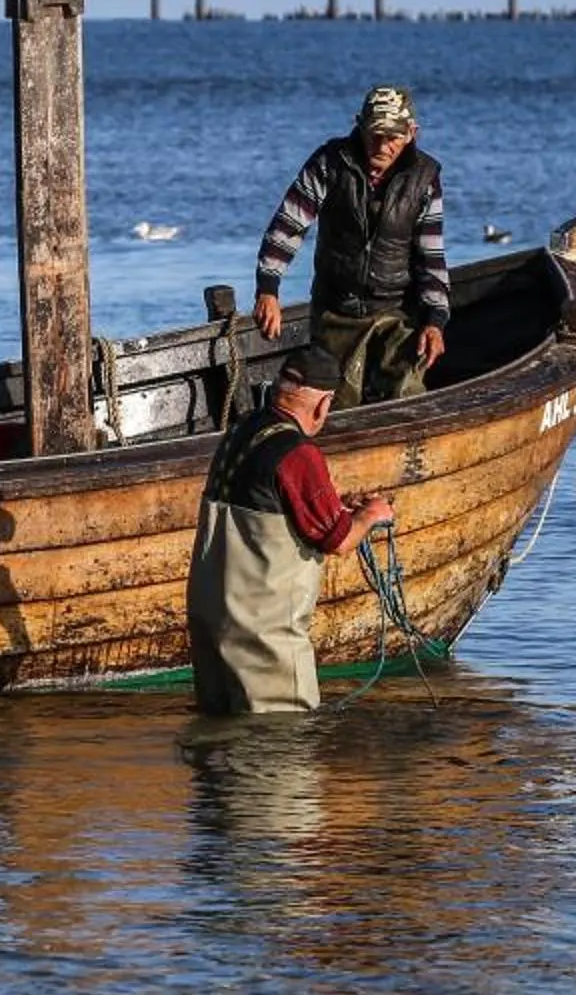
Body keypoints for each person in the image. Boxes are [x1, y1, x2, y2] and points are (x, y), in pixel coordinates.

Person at [187, 345, 396, 714]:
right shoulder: (298, 452)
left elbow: (266, 504)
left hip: (212, 631)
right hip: (266, 641)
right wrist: (371, 515)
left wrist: (337, 506)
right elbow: (339, 540)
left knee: (219, 735)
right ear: (323, 404)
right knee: (283, 741)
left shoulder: (241, 430)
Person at [250, 84, 451, 407]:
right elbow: (288, 225)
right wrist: (268, 289)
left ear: (411, 134)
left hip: (398, 312)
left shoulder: (425, 177)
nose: (382, 147)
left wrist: (434, 321)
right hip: (335, 311)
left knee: (404, 397)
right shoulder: (329, 163)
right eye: (375, 135)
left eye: (392, 137)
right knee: (336, 403)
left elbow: (431, 257)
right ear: (359, 125)